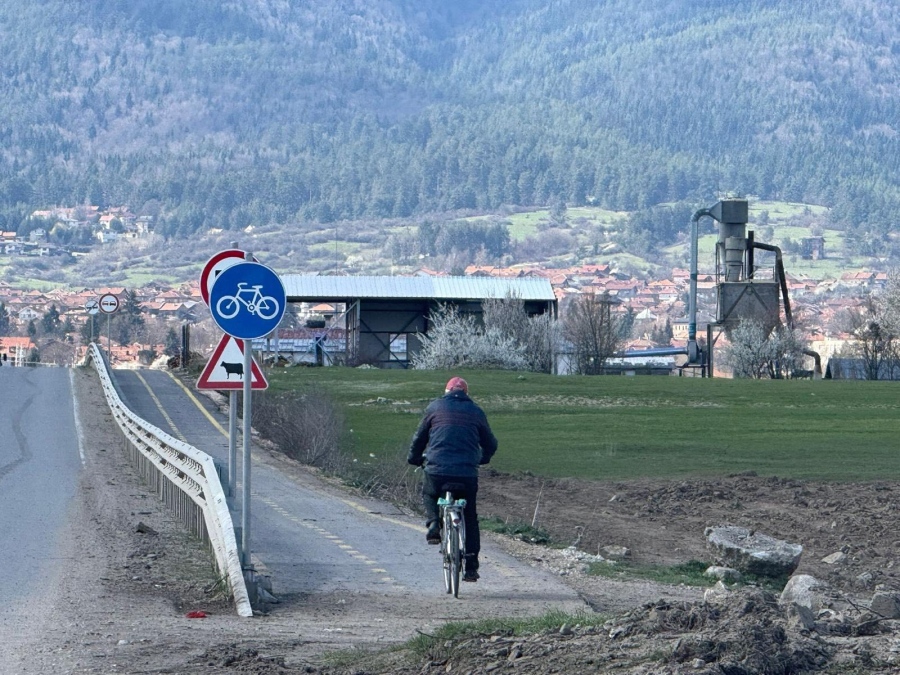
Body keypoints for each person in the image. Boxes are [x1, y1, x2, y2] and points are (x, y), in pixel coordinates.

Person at [407, 376, 498, 582]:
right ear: (466, 394)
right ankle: (471, 565)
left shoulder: (434, 408)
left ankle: (432, 524)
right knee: (470, 516)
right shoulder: (476, 412)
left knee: (430, 492)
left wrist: (414, 458)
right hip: (466, 473)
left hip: (437, 469)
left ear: (446, 392)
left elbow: (419, 438)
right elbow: (490, 443)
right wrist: (482, 459)